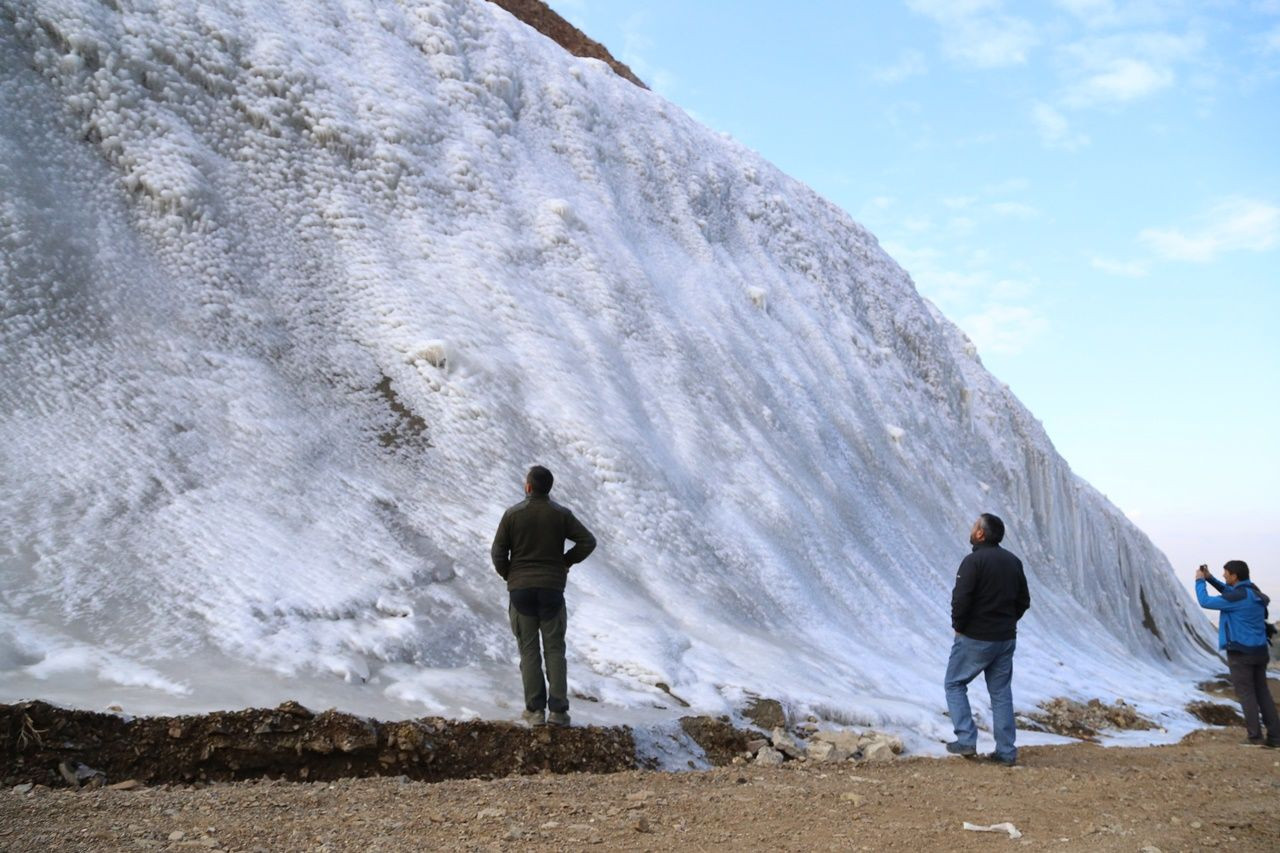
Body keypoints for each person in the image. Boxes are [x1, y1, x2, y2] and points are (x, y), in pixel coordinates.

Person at [491, 465, 596, 728]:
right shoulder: (561, 515)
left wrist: (510, 575)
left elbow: (497, 553)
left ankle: (534, 712)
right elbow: (587, 541)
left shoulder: (512, 515)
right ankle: (559, 713)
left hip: (521, 591)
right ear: (548, 488)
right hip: (551, 590)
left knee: (529, 651)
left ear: (528, 487)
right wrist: (565, 562)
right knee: (554, 650)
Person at [944, 513, 1031, 767]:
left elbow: (961, 599)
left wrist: (959, 628)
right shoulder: (1013, 561)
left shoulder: (973, 561)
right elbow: (1024, 600)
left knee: (954, 683)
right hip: (1005, 639)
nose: (971, 529)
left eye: (974, 526)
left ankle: (966, 739)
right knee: (1001, 693)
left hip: (976, 637)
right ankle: (1006, 752)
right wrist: (1007, 621)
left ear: (981, 534)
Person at [1196, 561, 1279, 747]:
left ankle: (1255, 737)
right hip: (1260, 651)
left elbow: (1205, 602)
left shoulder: (1237, 598)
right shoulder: (1253, 593)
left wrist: (1200, 581)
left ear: (1234, 576)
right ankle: (1275, 737)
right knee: (1262, 693)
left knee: (1246, 694)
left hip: (1241, 653)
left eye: (1226, 573)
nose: (1224, 576)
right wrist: (1210, 579)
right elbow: (1229, 592)